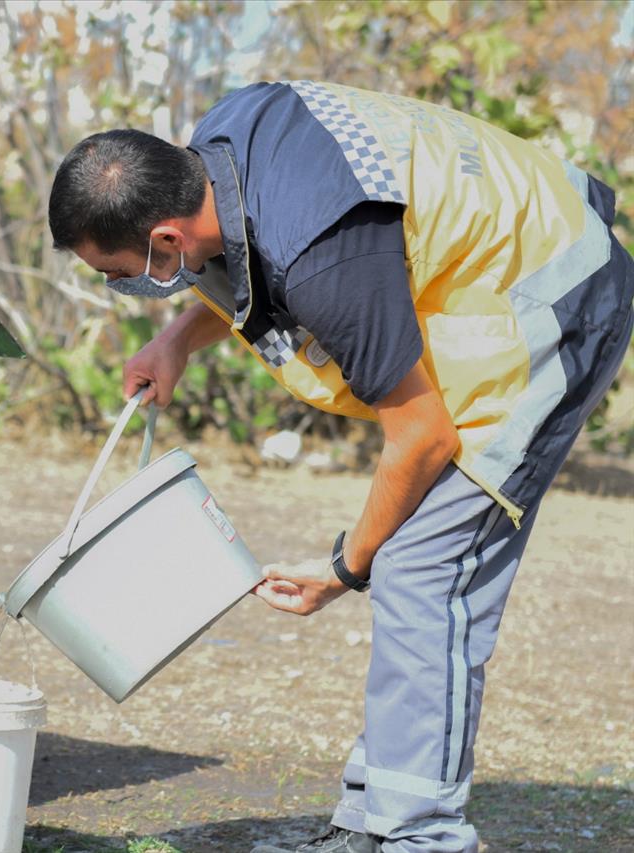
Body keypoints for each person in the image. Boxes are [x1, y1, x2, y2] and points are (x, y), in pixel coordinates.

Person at [47, 80, 633, 853]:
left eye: (116, 272)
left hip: (553, 299)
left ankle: (421, 838)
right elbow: (249, 258)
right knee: (414, 568)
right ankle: (369, 826)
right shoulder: (219, 146)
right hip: (475, 270)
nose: (122, 288)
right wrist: (179, 340)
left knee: (425, 568)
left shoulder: (325, 259)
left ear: (165, 243)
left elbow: (420, 435)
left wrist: (345, 565)